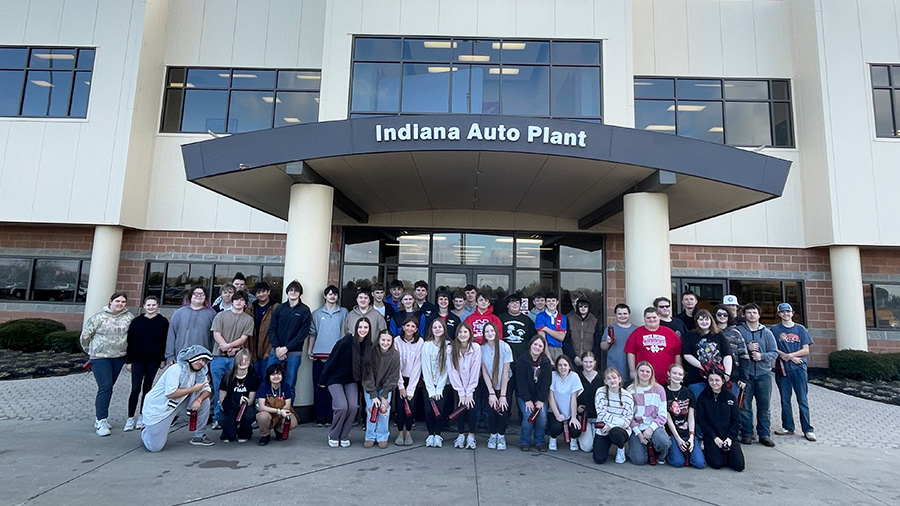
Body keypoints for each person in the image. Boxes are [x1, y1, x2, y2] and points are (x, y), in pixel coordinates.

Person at [80, 291, 135, 436]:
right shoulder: (99, 317)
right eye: (117, 301)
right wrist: (92, 350)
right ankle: (101, 420)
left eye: (123, 302)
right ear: (110, 301)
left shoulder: (129, 318)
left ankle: (102, 415)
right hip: (100, 358)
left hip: (119, 357)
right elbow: (85, 336)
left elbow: (133, 337)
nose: (120, 304)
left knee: (110, 386)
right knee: (105, 387)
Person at [141, 345, 215, 451]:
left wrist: (198, 400)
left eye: (204, 360)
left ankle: (199, 436)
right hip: (159, 408)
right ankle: (145, 428)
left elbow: (207, 390)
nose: (201, 363)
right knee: (155, 448)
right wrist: (194, 388)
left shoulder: (201, 373)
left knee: (205, 401)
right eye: (199, 359)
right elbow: (170, 394)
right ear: (191, 357)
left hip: (179, 404)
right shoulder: (176, 369)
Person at [319, 318, 371, 448]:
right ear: (355, 328)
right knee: (342, 407)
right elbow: (332, 360)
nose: (362, 330)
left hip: (351, 380)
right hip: (335, 379)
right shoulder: (346, 341)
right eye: (360, 327)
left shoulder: (368, 345)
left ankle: (344, 435)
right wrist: (323, 380)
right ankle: (334, 434)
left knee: (353, 407)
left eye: (365, 327)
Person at [771, 302, 816, 442]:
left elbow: (806, 350)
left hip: (799, 369)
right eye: (782, 312)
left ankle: (807, 429)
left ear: (792, 313)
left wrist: (790, 356)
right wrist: (784, 355)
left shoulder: (800, 329)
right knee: (785, 399)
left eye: (788, 311)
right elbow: (772, 347)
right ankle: (788, 426)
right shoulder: (774, 329)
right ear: (779, 314)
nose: (785, 314)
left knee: (802, 399)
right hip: (782, 369)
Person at [209, 289, 254, 428]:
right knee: (218, 388)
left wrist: (230, 347)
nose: (239, 302)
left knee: (236, 389)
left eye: (242, 300)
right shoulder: (221, 316)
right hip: (218, 357)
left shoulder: (248, 319)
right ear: (232, 301)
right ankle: (218, 418)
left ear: (245, 303)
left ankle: (235, 419)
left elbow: (243, 338)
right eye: (236, 299)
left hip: (237, 359)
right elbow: (216, 333)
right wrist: (225, 347)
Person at [736, 303, 778, 448]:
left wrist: (762, 356)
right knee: (745, 406)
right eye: (748, 312)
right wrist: (747, 348)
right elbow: (734, 349)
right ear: (744, 315)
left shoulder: (767, 333)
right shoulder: (739, 331)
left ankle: (764, 434)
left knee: (764, 406)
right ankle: (747, 433)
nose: (751, 315)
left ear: (759, 315)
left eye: (754, 312)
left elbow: (774, 352)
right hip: (746, 375)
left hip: (763, 374)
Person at [124, 295, 168, 432]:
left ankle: (143, 416)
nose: (151, 307)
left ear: (157, 306)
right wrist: (129, 361)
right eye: (148, 305)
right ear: (144, 306)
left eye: (153, 305)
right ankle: (130, 418)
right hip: (137, 360)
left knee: (147, 389)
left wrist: (162, 359)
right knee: (135, 388)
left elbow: (164, 341)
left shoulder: (162, 322)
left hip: (153, 360)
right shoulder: (136, 322)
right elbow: (130, 341)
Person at [309, 285, 348, 426]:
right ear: (325, 296)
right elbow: (312, 333)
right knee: (319, 387)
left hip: (336, 356)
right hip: (319, 355)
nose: (332, 296)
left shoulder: (344, 312)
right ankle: (320, 416)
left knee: (335, 388)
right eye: (329, 294)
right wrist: (310, 349)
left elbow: (345, 334)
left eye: (335, 294)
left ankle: (332, 416)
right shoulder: (317, 313)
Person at [266, 280, 312, 400]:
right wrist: (277, 348)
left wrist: (286, 348)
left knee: (289, 385)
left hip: (293, 353)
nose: (293, 292)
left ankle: (287, 415)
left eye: (296, 290)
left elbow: (303, 334)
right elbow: (271, 329)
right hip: (275, 352)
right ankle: (270, 414)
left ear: (300, 293)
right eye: (291, 290)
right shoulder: (280, 308)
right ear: (287, 292)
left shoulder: (304, 310)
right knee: (269, 382)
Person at [697, 370, 745, 472]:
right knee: (716, 464)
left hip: (729, 436)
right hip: (712, 437)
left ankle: (727, 454)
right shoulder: (703, 397)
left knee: (739, 466)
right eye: (711, 380)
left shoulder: (730, 397)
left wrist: (730, 438)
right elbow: (702, 420)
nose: (714, 383)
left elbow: (736, 421)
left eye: (717, 380)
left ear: (723, 381)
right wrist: (714, 438)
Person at [681, 309, 733, 400]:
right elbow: (686, 354)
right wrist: (703, 366)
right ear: (696, 321)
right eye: (700, 319)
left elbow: (727, 354)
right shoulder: (690, 335)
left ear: (711, 320)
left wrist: (727, 374)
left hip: (718, 378)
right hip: (697, 378)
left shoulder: (719, 335)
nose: (704, 322)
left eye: (706, 319)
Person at [627, 361, 671, 466]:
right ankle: (644, 447)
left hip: (654, 426)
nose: (644, 373)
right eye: (642, 371)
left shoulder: (659, 389)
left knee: (663, 442)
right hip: (637, 427)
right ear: (637, 372)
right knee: (639, 460)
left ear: (652, 373)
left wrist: (651, 429)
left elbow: (663, 414)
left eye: (648, 371)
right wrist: (639, 433)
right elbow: (628, 416)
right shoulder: (630, 390)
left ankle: (659, 454)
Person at [624, 307, 682, 386]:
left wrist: (678, 370)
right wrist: (632, 371)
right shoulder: (636, 333)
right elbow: (630, 353)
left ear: (659, 317)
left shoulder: (669, 332)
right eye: (648, 318)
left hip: (667, 378)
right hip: (644, 377)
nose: (651, 320)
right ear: (644, 318)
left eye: (654, 317)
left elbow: (677, 353)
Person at [362, 329, 400, 448]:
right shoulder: (371, 352)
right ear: (378, 340)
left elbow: (393, 376)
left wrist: (384, 395)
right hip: (371, 386)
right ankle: (370, 436)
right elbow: (367, 375)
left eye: (388, 340)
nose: (385, 343)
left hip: (385, 387)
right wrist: (373, 395)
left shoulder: (395, 355)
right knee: (371, 409)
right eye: (383, 340)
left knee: (384, 410)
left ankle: (382, 436)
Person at [515, 335, 552, 452]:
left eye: (540, 346)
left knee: (542, 417)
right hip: (524, 396)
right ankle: (525, 441)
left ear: (543, 349)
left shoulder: (546, 362)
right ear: (530, 345)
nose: (537, 347)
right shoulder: (522, 361)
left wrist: (541, 399)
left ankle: (540, 441)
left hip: (540, 397)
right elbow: (520, 383)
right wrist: (527, 400)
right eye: (535, 344)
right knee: (528, 416)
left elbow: (546, 383)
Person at [664, 363, 705, 468]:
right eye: (674, 373)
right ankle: (671, 453)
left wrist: (691, 437)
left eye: (680, 374)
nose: (677, 376)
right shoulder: (664, 392)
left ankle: (688, 452)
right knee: (678, 462)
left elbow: (691, 416)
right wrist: (678, 439)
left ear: (683, 377)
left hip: (687, 431)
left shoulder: (688, 392)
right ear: (669, 374)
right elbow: (668, 418)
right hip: (673, 433)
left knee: (699, 464)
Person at [447, 323, 481, 449]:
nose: (462, 335)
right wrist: (461, 392)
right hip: (458, 386)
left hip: (472, 385)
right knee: (459, 408)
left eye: (465, 332)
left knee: (472, 408)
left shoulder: (475, 347)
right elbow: (452, 371)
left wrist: (469, 392)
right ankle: (461, 434)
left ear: (470, 334)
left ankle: (471, 435)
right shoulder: (451, 348)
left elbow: (475, 369)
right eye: (460, 332)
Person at [480, 322, 513, 450]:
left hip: (504, 383)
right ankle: (493, 435)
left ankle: (501, 435)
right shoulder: (481, 348)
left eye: (492, 331)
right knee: (491, 411)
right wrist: (492, 393)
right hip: (490, 384)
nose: (490, 334)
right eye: (487, 331)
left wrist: (503, 395)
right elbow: (484, 372)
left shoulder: (505, 347)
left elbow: (505, 372)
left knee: (503, 410)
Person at [592, 367, 634, 464]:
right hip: (603, 428)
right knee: (598, 459)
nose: (612, 381)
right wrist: (612, 424)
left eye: (614, 378)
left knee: (616, 433)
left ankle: (620, 448)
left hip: (619, 430)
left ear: (619, 379)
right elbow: (601, 413)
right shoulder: (600, 392)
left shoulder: (627, 396)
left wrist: (611, 426)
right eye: (609, 379)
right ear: (605, 381)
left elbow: (627, 421)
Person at [165, 285, 216, 364]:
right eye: (196, 294)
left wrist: (212, 357)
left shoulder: (211, 314)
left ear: (205, 297)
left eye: (202, 294)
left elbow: (214, 337)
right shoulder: (179, 313)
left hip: (202, 358)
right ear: (190, 296)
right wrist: (170, 356)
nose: (199, 296)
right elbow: (171, 335)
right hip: (181, 357)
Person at [394, 317, 424, 446]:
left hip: (413, 379)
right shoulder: (396, 341)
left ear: (416, 329)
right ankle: (400, 433)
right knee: (400, 408)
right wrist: (401, 386)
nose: (410, 329)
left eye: (413, 326)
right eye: (407, 326)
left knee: (411, 407)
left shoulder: (420, 342)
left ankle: (408, 433)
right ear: (403, 327)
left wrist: (411, 388)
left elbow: (418, 366)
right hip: (399, 378)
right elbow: (396, 365)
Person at [218, 349, 259, 443]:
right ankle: (228, 432)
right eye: (241, 359)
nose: (244, 362)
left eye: (246, 359)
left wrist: (242, 401)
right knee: (223, 418)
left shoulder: (253, 376)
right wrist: (236, 399)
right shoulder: (227, 376)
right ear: (236, 361)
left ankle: (244, 432)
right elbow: (222, 398)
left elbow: (251, 400)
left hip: (245, 405)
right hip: (229, 404)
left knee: (249, 414)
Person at [422, 318, 450, 447]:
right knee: (428, 410)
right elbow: (425, 367)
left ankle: (438, 435)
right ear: (431, 330)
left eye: (440, 327)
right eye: (435, 327)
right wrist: (431, 389)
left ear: (444, 329)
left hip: (443, 385)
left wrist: (439, 389)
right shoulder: (426, 345)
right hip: (428, 384)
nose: (437, 329)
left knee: (439, 409)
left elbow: (446, 369)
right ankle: (430, 434)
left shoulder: (449, 345)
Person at [547, 354, 584, 451]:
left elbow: (573, 398)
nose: (562, 367)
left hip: (570, 411)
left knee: (575, 429)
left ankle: (573, 439)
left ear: (569, 366)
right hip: (555, 411)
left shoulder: (574, 377)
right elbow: (551, 398)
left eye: (565, 365)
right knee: (555, 427)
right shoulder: (553, 376)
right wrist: (557, 415)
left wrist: (574, 417)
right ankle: (553, 438)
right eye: (560, 365)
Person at [256, 363, 298, 446]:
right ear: (268, 376)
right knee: (262, 417)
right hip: (268, 411)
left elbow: (287, 405)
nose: (276, 377)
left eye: (278, 374)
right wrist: (278, 411)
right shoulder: (263, 386)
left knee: (292, 422)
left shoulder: (286, 386)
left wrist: (282, 412)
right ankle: (265, 435)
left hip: (282, 411)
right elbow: (261, 407)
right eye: (273, 374)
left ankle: (279, 430)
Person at [715, 303, 750, 398]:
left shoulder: (735, 333)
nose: (722, 317)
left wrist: (743, 378)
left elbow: (744, 356)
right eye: (719, 314)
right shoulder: (710, 333)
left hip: (733, 376)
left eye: (725, 315)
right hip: (713, 376)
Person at [249, 281, 279, 383]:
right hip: (253, 351)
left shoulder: (275, 307)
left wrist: (269, 350)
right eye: (258, 292)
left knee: (266, 378)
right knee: (253, 379)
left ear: (269, 292)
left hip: (268, 350)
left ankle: (264, 399)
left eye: (263, 291)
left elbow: (277, 330)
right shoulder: (251, 308)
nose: (261, 294)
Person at [602, 303, 637, 384]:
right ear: (616, 315)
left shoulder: (636, 330)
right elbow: (603, 347)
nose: (622, 316)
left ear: (629, 314)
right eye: (619, 314)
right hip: (615, 368)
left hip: (632, 369)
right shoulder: (610, 328)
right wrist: (608, 342)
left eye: (625, 313)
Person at [576, 352, 602, 452]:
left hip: (598, 417)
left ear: (595, 363)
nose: (588, 364)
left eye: (591, 362)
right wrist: (577, 407)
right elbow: (572, 396)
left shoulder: (601, 378)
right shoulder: (577, 377)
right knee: (587, 448)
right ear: (582, 362)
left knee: (597, 446)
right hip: (583, 417)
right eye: (585, 362)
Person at [564, 297, 601, 369]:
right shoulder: (569, 318)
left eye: (585, 306)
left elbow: (597, 341)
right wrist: (574, 357)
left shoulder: (594, 320)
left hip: (589, 361)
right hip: (573, 359)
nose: (583, 308)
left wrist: (592, 357)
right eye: (580, 306)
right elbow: (566, 341)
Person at [497, 294, 537, 360]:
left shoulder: (527, 320)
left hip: (523, 356)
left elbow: (533, 338)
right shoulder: (500, 318)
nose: (515, 304)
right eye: (512, 302)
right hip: (504, 356)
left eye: (517, 302)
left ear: (520, 305)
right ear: (507, 305)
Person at [535, 292, 567, 360]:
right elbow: (542, 338)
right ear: (545, 303)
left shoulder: (562, 317)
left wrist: (546, 328)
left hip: (558, 349)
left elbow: (561, 337)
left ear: (557, 302)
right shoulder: (540, 316)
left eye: (553, 301)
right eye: (549, 301)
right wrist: (548, 356)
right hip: (545, 348)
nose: (551, 303)